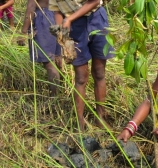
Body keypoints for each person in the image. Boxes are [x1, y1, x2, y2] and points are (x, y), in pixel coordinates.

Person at [49, 0, 115, 131]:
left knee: (99, 72)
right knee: (80, 77)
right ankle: (80, 122)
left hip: (96, 18)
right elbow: (56, 10)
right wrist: (60, 30)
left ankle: (100, 117)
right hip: (74, 27)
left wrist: (69, 19)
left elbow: (95, 1)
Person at [17, 0, 62, 97]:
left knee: (49, 62)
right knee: (57, 57)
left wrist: (23, 32)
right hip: (58, 17)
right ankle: (61, 90)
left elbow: (31, 6)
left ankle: (54, 97)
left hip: (44, 19)